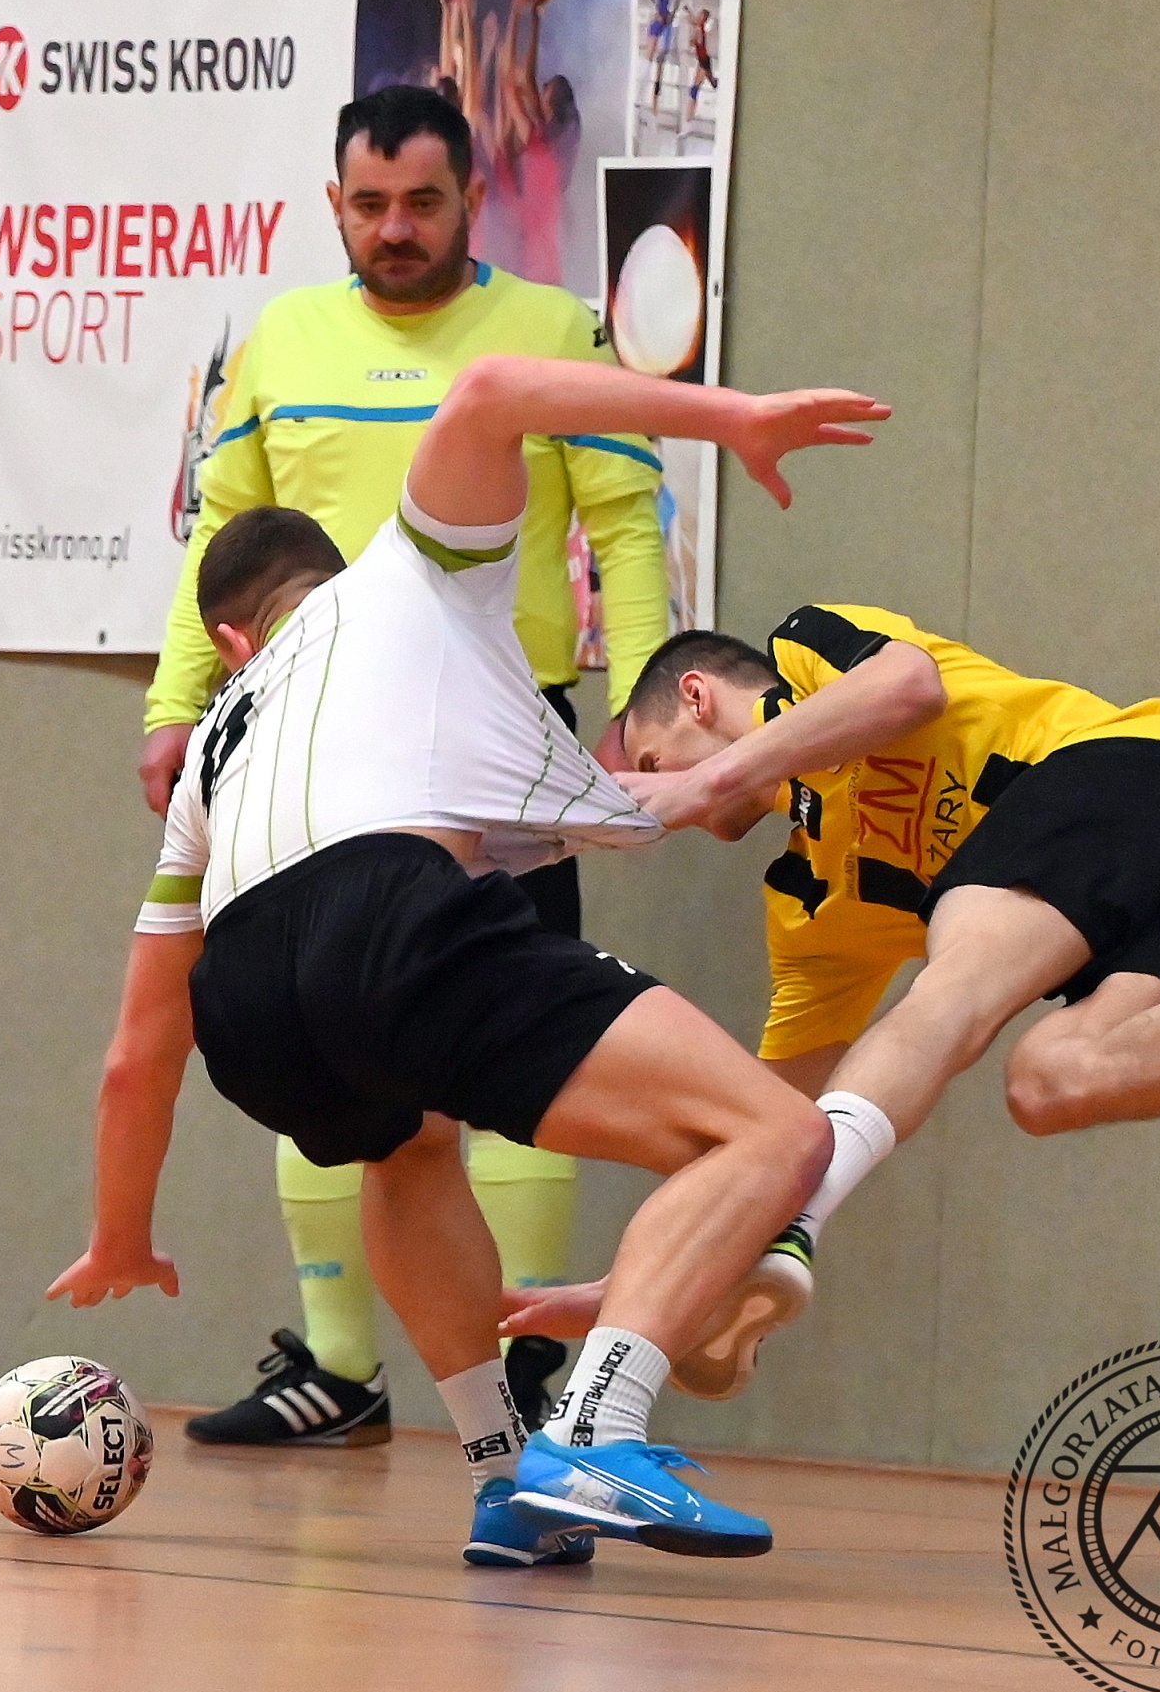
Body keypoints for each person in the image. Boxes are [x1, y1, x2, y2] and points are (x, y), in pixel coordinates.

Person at [49, 356, 889, 1563]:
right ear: (331, 573)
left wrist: (120, 1233)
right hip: (386, 918)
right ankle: (593, 1435)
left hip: (245, 1011)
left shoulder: (212, 760)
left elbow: (140, 1050)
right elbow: (489, 389)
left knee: (407, 1146)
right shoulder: (411, 572)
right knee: (774, 1136)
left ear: (232, 641)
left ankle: (503, 1480)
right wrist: (733, 416)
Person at [142, 84, 673, 1448]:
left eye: (423, 203)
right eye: (369, 206)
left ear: (472, 198)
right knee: (339, 1061)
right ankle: (340, 1368)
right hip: (308, 755)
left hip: (488, 742)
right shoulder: (281, 341)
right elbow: (218, 534)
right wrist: (175, 702)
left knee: (517, 1050)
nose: (395, 229)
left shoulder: (549, 328)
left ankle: (532, 1381)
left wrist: (641, 703)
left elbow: (625, 526)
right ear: (335, 204)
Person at [502, 603, 1160, 1397]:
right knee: (1048, 1082)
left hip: (1150, 768)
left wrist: (711, 779)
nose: (658, 807)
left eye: (649, 770)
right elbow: (764, 1129)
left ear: (696, 697)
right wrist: (647, 1281)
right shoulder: (809, 906)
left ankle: (798, 1229)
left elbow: (909, 687)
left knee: (950, 995)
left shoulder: (808, 652)